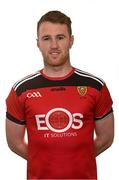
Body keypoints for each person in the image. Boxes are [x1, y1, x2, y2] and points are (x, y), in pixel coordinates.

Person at [6, 10, 114, 179]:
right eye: (47, 38)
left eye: (60, 37)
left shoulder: (95, 86)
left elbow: (106, 138)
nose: (54, 45)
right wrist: (43, 160)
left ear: (71, 41)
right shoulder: (21, 90)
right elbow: (14, 143)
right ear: (38, 43)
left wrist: (78, 159)